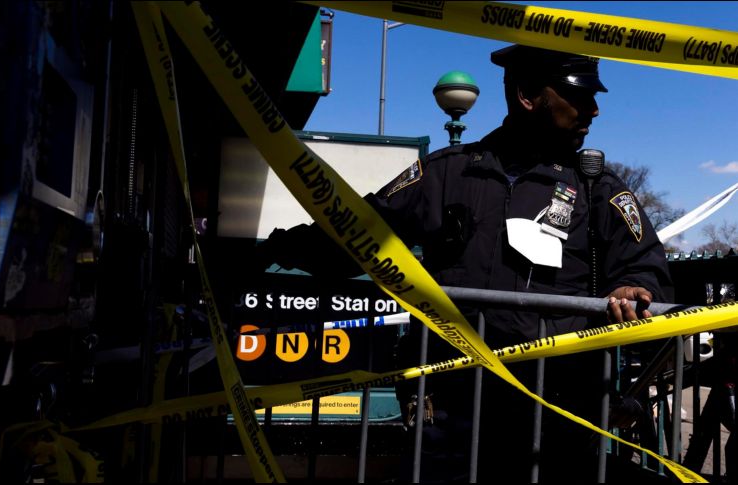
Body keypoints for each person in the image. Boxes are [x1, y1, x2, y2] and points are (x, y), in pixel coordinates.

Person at [258, 44, 673, 482]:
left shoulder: (597, 188)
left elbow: (646, 266)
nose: (593, 109)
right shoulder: (447, 173)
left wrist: (634, 287)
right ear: (528, 95)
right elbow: (359, 236)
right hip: (453, 405)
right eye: (580, 94)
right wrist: (274, 250)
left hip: (555, 408)